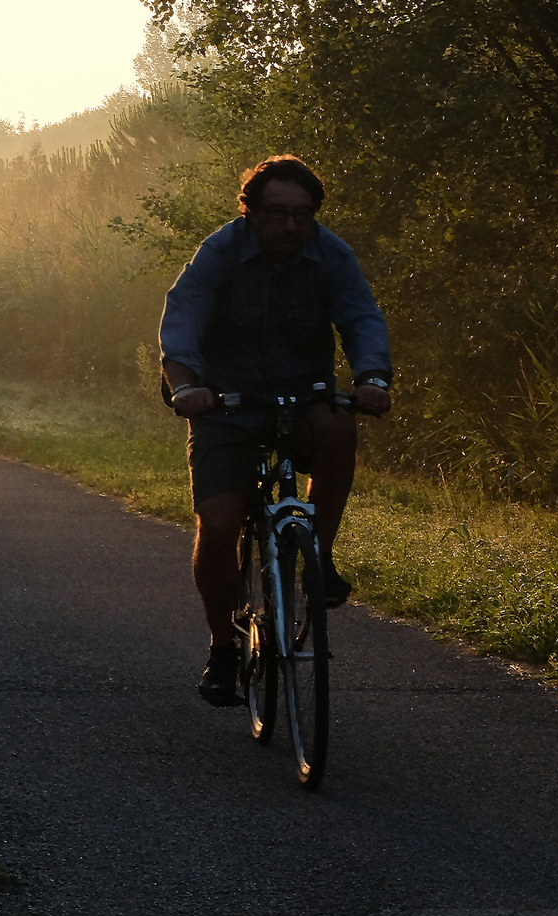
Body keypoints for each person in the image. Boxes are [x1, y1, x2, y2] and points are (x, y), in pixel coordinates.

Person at [159, 155, 392, 706]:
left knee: (338, 428)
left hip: (303, 395)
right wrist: (185, 383)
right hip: (226, 402)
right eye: (278, 213)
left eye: (302, 215)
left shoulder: (331, 254)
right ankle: (223, 647)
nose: (290, 226)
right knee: (218, 525)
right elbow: (184, 315)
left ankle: (320, 560)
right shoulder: (220, 251)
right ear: (252, 210)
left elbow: (361, 317)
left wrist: (373, 377)